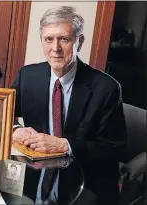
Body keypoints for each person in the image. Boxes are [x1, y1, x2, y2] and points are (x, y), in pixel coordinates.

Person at [11, 6, 127, 205]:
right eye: (48, 39)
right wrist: (14, 130)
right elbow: (2, 114)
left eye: (64, 39)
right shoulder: (27, 76)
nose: (55, 48)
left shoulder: (106, 88)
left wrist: (64, 145)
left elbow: (114, 149)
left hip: (85, 184)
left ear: (79, 42)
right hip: (34, 178)